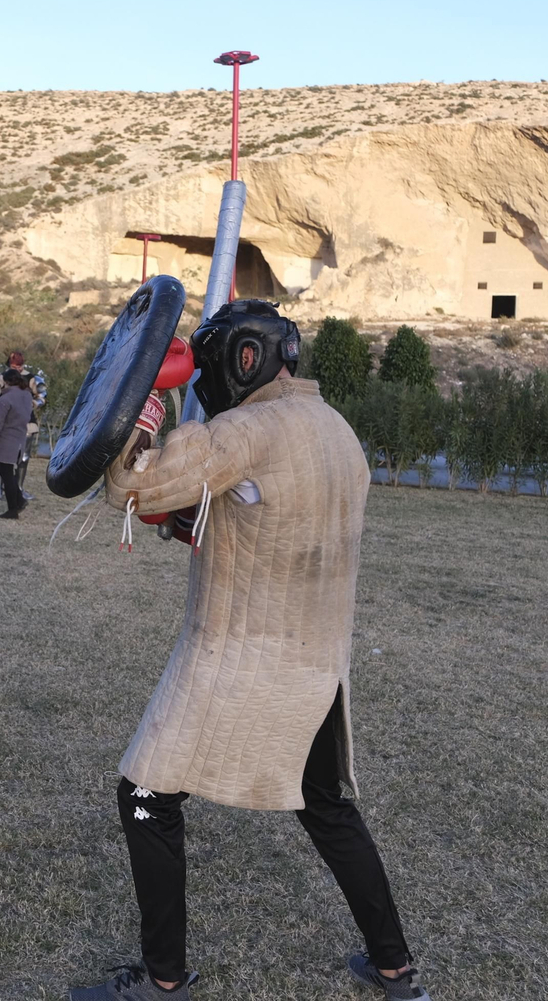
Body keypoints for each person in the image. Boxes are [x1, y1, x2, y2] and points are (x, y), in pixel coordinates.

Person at [71, 299, 429, 1001]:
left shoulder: (244, 431)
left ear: (243, 358)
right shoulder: (338, 432)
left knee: (145, 794)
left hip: (240, 654)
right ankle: (396, 970)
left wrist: (140, 415)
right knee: (326, 805)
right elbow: (254, 520)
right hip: (319, 664)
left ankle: (165, 981)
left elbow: (129, 485)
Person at [0, 351, 46, 501]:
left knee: (23, 458)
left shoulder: (32, 378)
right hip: (6, 421)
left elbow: (41, 397)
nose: (17, 369)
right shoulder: (1, 377)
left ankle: (19, 489)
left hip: (27, 423)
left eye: (19, 366)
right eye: (14, 366)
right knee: (0, 455)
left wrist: (28, 405)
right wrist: (3, 406)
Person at [0, 368, 33, 520]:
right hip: (20, 440)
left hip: (6, 441)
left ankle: (13, 509)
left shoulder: (6, 400)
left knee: (6, 475)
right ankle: (19, 501)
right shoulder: (27, 395)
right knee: (10, 474)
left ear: (6, 381)